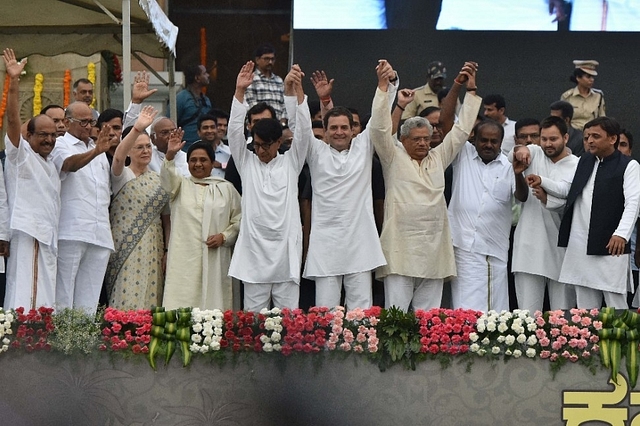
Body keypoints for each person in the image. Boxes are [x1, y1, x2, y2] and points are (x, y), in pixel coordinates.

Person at [370, 61, 481, 312]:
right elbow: (379, 129)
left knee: (428, 319)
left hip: (433, 252)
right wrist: (384, 89)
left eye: (426, 139)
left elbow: (462, 130)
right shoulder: (393, 157)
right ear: (403, 139)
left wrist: (470, 90)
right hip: (400, 250)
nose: (423, 144)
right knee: (396, 318)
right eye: (417, 139)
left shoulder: (438, 157)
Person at [288, 60, 396, 310]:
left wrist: (384, 85)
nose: (339, 132)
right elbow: (301, 126)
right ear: (324, 131)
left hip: (360, 243)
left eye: (344, 128)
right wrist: (299, 91)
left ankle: (361, 351)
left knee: (361, 311)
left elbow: (380, 119)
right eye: (333, 128)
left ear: (353, 130)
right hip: (326, 244)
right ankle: (327, 352)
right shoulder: (315, 152)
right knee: (326, 312)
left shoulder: (363, 147)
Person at [228, 61, 311, 312]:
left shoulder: (291, 162)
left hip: (285, 253)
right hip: (254, 255)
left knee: (288, 322)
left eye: (266, 145)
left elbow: (304, 131)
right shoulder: (247, 162)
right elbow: (233, 132)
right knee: (253, 323)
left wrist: (295, 92)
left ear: (278, 143)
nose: (260, 151)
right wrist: (240, 92)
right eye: (256, 145)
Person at [534, 117, 640, 308]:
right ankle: (587, 339)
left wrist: (621, 235)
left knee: (615, 303)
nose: (590, 140)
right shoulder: (584, 161)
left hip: (611, 245)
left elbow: (633, 203)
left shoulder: (629, 165)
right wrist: (541, 180)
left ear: (612, 139)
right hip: (579, 245)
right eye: (587, 136)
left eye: (596, 136)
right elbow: (567, 189)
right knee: (584, 308)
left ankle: (621, 339)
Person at [161, 134, 241, 310]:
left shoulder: (226, 188)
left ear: (213, 163)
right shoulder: (179, 186)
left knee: (215, 302)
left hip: (216, 255)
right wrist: (170, 156)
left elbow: (239, 219)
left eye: (203, 160)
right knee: (182, 301)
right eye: (193, 160)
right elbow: (167, 180)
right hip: (184, 257)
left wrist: (224, 236)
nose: (198, 164)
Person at [511, 116, 579, 312]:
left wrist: (543, 187)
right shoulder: (534, 152)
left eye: (553, 139)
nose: (548, 144)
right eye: (544, 138)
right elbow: (514, 154)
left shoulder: (577, 164)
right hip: (528, 248)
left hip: (562, 250)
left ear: (566, 138)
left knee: (563, 319)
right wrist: (519, 150)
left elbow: (566, 192)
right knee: (527, 317)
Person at [104, 106, 170, 310]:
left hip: (154, 245)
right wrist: (137, 128)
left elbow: (166, 218)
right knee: (124, 295)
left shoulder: (160, 180)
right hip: (124, 246)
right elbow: (117, 157)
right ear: (129, 150)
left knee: (151, 297)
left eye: (148, 147)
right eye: (139, 147)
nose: (145, 151)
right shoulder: (121, 175)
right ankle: (121, 338)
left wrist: (167, 250)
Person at [52, 101, 114, 315]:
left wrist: (97, 149)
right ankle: (61, 345)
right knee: (64, 295)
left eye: (92, 122)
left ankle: (83, 345)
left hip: (99, 233)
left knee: (89, 299)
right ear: (68, 122)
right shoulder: (61, 144)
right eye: (84, 122)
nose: (89, 126)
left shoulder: (98, 148)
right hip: (72, 230)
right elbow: (68, 165)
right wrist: (97, 151)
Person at [2, 48, 52, 309]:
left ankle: (38, 341)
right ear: (28, 136)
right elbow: (12, 118)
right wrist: (13, 82)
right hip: (28, 233)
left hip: (47, 236)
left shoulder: (50, 164)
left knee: (44, 296)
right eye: (43, 134)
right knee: (26, 296)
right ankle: (23, 340)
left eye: (53, 135)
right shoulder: (20, 155)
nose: (49, 140)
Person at [448, 120, 515, 312]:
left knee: (494, 309)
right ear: (473, 139)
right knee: (463, 304)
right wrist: (460, 88)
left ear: (501, 142)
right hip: (463, 245)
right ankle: (463, 342)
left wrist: (518, 172)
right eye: (483, 140)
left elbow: (522, 196)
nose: (488, 145)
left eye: (494, 141)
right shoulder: (463, 155)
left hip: (493, 249)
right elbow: (446, 124)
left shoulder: (509, 166)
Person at [245, 43, 287, 122]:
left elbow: (285, 104)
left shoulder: (279, 80)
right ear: (257, 60)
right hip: (258, 124)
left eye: (272, 59)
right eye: (266, 59)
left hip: (278, 126)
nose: (270, 62)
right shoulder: (250, 79)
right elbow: (251, 105)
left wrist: (283, 122)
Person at [560, 60, 605, 131]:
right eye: (588, 77)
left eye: (592, 77)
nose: (592, 80)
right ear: (578, 78)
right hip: (573, 134)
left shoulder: (598, 96)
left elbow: (602, 118)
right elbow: (562, 120)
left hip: (592, 133)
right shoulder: (567, 96)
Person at [176, 64, 212, 149]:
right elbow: (170, 123)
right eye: (205, 73)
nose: (208, 75)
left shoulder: (206, 100)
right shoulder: (181, 98)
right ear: (197, 78)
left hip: (204, 149)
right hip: (185, 150)